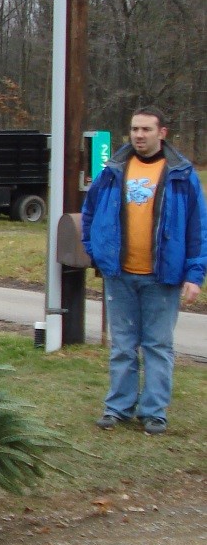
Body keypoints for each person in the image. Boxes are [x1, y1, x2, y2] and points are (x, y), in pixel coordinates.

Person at [81, 106, 206, 435]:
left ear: (162, 133)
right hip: (119, 275)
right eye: (135, 129)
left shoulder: (181, 173)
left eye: (146, 130)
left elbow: (197, 228)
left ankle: (153, 412)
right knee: (122, 345)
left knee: (157, 346)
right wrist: (97, 253)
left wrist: (194, 275)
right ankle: (117, 408)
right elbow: (90, 213)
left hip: (163, 277)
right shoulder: (114, 170)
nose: (139, 135)